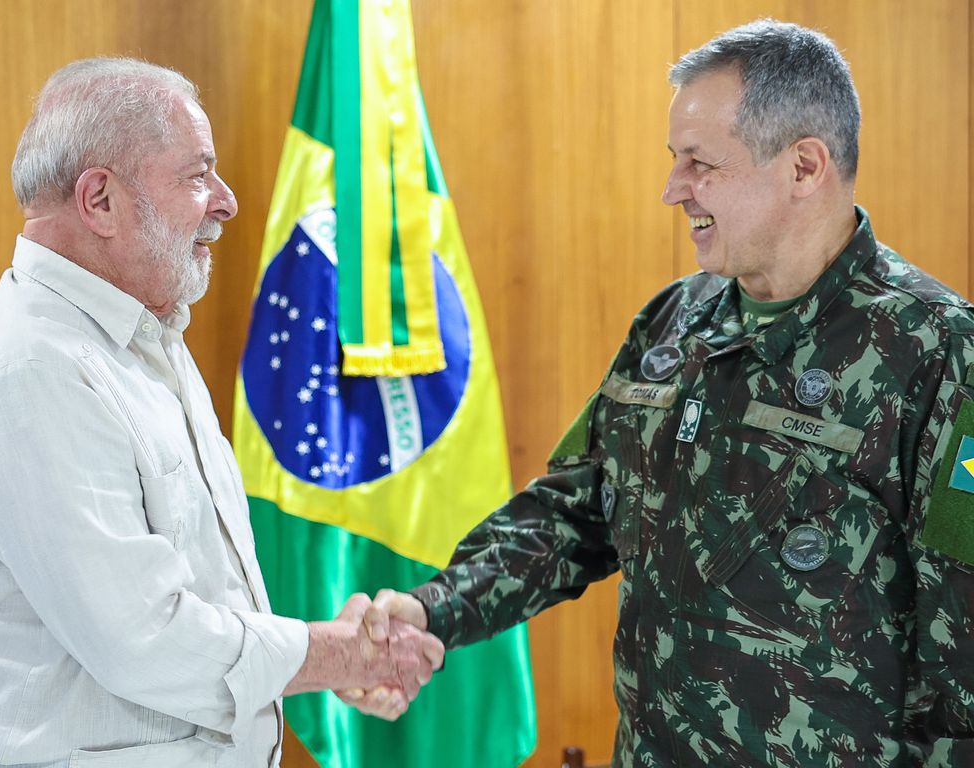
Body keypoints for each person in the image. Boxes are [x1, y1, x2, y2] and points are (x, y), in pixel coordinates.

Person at [360, 19, 974, 766]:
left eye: (700, 163)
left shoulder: (937, 350)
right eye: (674, 161)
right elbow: (580, 507)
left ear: (805, 166)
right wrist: (432, 610)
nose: (672, 190)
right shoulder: (673, 322)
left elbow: (963, 660)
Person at [0, 58, 442, 768]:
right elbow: (145, 638)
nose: (227, 200)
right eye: (196, 175)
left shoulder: (143, 338)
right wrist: (332, 656)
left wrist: (320, 660)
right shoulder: (31, 372)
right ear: (100, 201)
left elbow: (202, 595)